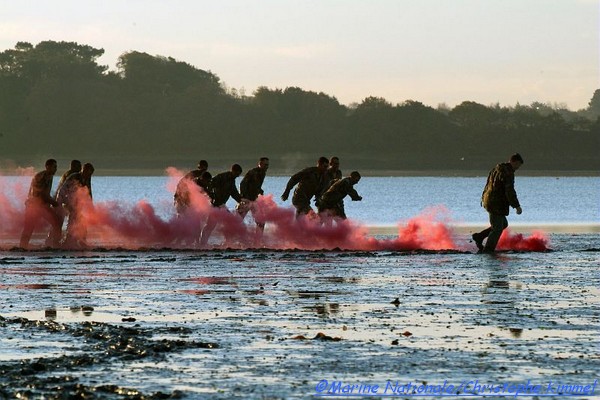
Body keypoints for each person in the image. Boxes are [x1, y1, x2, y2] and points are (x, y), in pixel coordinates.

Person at [472, 153, 524, 253]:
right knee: (497, 228)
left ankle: (479, 236)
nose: (517, 168)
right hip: (495, 203)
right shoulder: (507, 172)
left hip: (489, 199)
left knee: (503, 224)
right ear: (512, 161)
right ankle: (488, 250)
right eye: (517, 165)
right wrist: (517, 206)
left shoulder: (497, 168)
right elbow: (509, 190)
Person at [19, 159, 62, 249]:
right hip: (35, 206)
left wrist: (52, 201)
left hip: (40, 205)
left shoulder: (49, 176)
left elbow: (45, 194)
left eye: (56, 167)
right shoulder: (43, 176)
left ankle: (23, 246)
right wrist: (54, 203)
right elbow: (42, 194)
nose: (56, 169)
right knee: (30, 227)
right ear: (47, 166)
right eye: (54, 167)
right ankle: (56, 245)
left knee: (56, 222)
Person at [199, 164, 243, 246]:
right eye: (237, 174)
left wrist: (241, 200)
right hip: (215, 205)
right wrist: (212, 196)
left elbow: (233, 192)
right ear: (233, 171)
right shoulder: (222, 177)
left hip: (221, 205)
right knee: (210, 225)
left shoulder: (232, 180)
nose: (237, 176)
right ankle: (202, 244)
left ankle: (228, 242)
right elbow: (209, 184)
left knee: (230, 222)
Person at [57, 163, 95, 248]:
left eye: (90, 174)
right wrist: (59, 202)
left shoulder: (87, 178)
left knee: (82, 221)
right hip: (68, 200)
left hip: (77, 202)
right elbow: (62, 189)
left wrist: (91, 205)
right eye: (88, 172)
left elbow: (88, 191)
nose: (89, 175)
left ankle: (81, 241)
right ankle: (66, 242)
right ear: (83, 170)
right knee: (73, 221)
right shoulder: (74, 176)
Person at [237, 157, 269, 231]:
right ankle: (230, 240)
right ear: (260, 164)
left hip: (254, 200)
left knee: (261, 221)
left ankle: (258, 241)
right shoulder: (253, 172)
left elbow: (255, 185)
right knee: (237, 220)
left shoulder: (263, 173)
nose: (267, 167)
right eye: (265, 165)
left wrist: (259, 190)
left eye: (267, 165)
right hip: (246, 199)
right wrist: (243, 196)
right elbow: (242, 184)